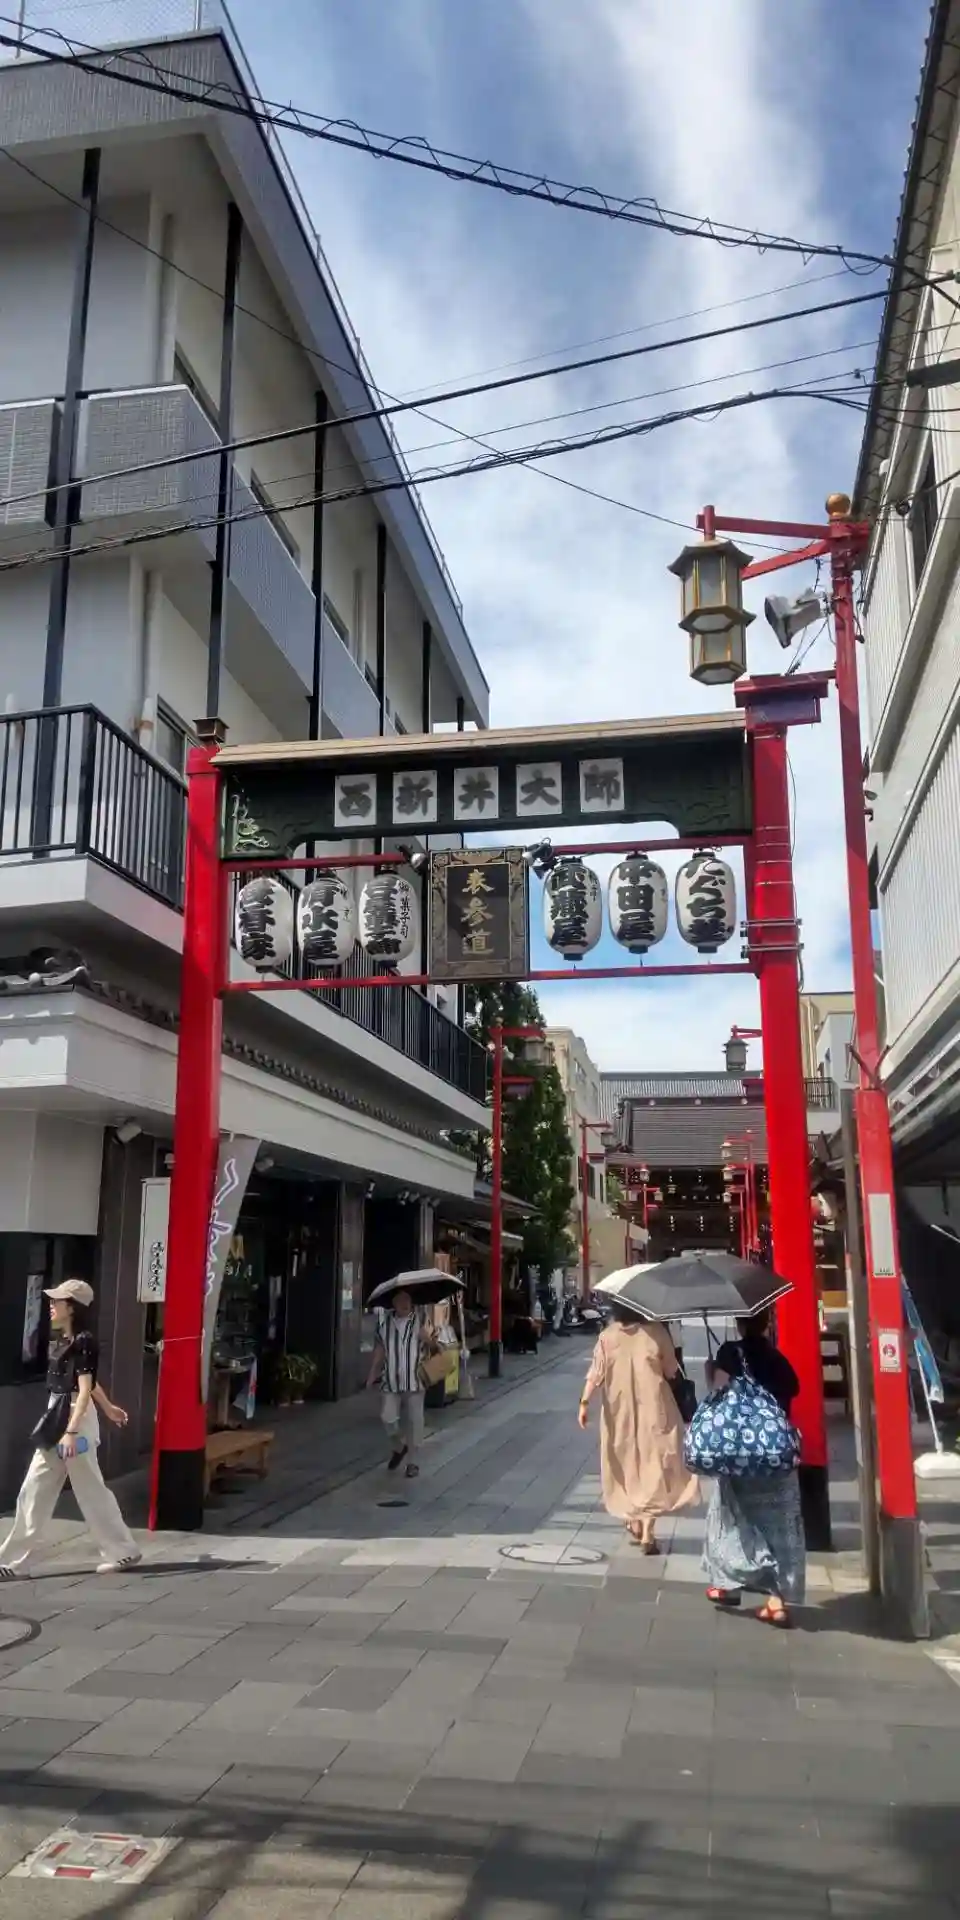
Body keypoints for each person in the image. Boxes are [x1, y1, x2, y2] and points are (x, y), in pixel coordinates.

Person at [0, 1279, 141, 1580]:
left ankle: (123, 1550)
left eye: (58, 1300)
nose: (51, 1305)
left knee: (90, 1490)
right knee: (34, 1488)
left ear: (73, 1307)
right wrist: (109, 1408)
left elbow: (84, 1389)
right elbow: (86, 1382)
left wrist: (72, 1432)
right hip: (59, 1416)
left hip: (75, 1420)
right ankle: (14, 1561)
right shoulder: (63, 1339)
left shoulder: (84, 1341)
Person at [701, 1308, 804, 1628]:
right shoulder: (777, 1358)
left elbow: (717, 1394)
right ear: (766, 1324)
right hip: (775, 1454)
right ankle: (777, 1601)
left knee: (731, 1518)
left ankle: (726, 1585)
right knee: (779, 1527)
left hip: (740, 1453)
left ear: (740, 1323)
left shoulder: (730, 1354)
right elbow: (794, 1388)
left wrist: (711, 1371)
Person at [578, 1300, 700, 1552]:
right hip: (656, 1410)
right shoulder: (656, 1332)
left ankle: (633, 1517)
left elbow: (595, 1374)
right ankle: (648, 1532)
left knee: (626, 1464)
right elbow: (671, 1371)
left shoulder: (607, 1336)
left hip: (619, 1413)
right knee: (653, 1465)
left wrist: (584, 1402)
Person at [366, 1287, 429, 1479]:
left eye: (407, 1299)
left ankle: (413, 1462)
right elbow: (379, 1350)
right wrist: (372, 1373)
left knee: (414, 1421)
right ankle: (399, 1447)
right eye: (400, 1300)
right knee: (387, 1418)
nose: (404, 1303)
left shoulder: (420, 1319)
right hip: (390, 1379)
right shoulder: (384, 1323)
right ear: (393, 1303)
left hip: (415, 1379)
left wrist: (428, 1339)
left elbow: (434, 1345)